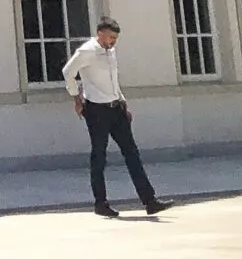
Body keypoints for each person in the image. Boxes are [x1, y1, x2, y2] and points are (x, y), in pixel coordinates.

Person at [62, 19, 170, 218]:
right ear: (100, 33)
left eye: (115, 39)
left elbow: (113, 80)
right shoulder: (87, 51)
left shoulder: (110, 52)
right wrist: (77, 99)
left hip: (116, 108)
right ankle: (100, 203)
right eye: (110, 37)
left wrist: (123, 102)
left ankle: (149, 200)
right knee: (99, 156)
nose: (113, 42)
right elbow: (68, 72)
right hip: (96, 110)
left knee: (132, 153)